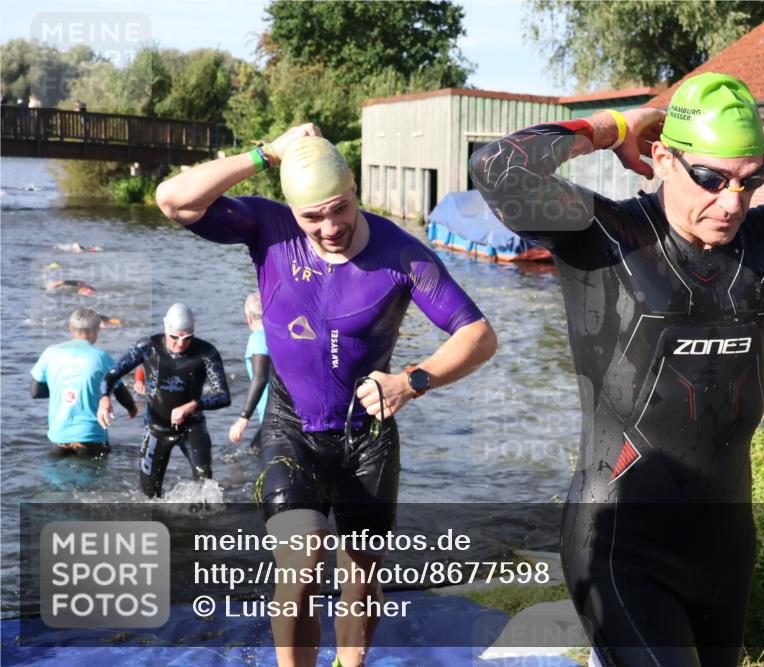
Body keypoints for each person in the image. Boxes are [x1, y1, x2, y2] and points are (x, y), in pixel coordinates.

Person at [470, 72, 764, 666]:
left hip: (723, 547)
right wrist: (614, 126)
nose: (732, 203)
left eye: (750, 183)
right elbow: (496, 167)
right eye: (710, 179)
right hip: (619, 543)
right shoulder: (605, 237)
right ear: (664, 159)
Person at [154, 127, 497, 667]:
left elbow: (478, 334)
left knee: (360, 578)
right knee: (302, 558)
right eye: (312, 216)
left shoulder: (401, 254)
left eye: (339, 209)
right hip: (292, 426)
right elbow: (173, 201)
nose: (330, 227)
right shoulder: (267, 228)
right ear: (293, 210)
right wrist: (267, 152)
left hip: (368, 434)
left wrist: (411, 382)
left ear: (356, 187)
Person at [97, 303, 231, 498]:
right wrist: (104, 398)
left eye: (187, 338)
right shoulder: (147, 348)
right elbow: (111, 375)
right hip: (156, 428)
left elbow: (223, 396)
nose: (180, 344)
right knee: (149, 495)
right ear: (165, 328)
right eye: (175, 337)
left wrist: (194, 405)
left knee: (206, 488)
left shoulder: (206, 353)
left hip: (192, 427)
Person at [30, 308, 137, 457]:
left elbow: (35, 392)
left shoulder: (50, 352)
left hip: (59, 437)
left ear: (71, 329)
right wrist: (131, 408)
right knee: (96, 479)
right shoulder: (102, 357)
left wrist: (60, 390)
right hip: (92, 437)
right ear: (97, 330)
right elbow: (119, 390)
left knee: (56, 479)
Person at [229, 291, 271, 455]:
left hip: (273, 415)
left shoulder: (257, 339)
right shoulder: (280, 334)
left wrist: (243, 418)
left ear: (249, 318)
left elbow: (259, 379)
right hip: (291, 411)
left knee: (257, 451)